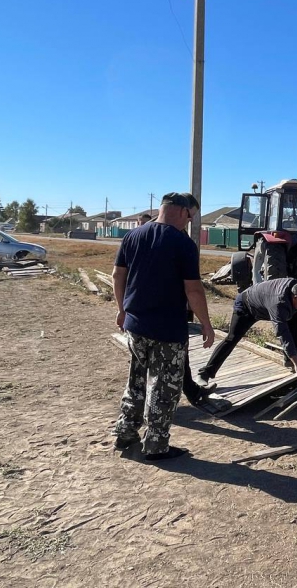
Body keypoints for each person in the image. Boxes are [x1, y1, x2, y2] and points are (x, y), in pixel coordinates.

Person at [110, 192, 215, 461]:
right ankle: (156, 445)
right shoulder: (182, 243)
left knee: (136, 381)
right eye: (190, 217)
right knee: (164, 388)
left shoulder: (133, 236)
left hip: (135, 325)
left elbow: (117, 275)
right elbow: (193, 289)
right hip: (167, 329)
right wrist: (206, 324)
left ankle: (125, 432)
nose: (189, 222)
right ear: (181, 211)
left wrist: (121, 310)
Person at [194, 278, 297, 389]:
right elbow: (283, 334)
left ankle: (290, 359)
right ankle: (204, 373)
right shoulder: (278, 303)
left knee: (294, 316)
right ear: (295, 297)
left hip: (264, 304)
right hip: (246, 306)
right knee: (232, 338)